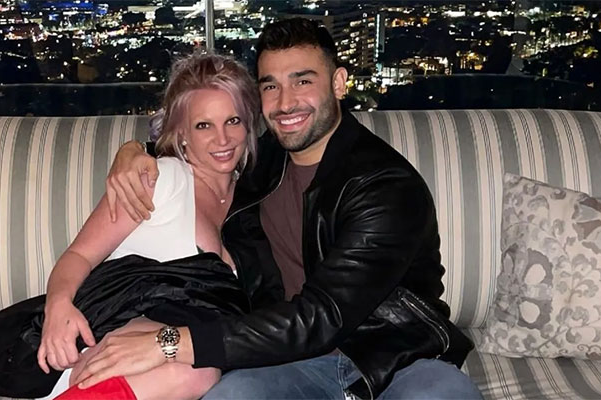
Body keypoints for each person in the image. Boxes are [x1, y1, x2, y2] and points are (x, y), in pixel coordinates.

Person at [80, 18, 483, 400]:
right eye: (271, 86)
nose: (286, 103)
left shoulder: (386, 187)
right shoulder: (264, 162)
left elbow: (322, 317)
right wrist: (135, 151)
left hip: (395, 356)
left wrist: (169, 343)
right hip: (290, 361)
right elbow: (199, 145)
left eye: (303, 81)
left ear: (338, 83)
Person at [0, 52, 260, 400]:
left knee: (200, 368)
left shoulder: (256, 197)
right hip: (116, 342)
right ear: (181, 132)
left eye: (233, 121)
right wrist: (58, 306)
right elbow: (80, 254)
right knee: (195, 372)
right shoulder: (156, 180)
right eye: (203, 125)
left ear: (249, 123)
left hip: (178, 351)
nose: (222, 139)